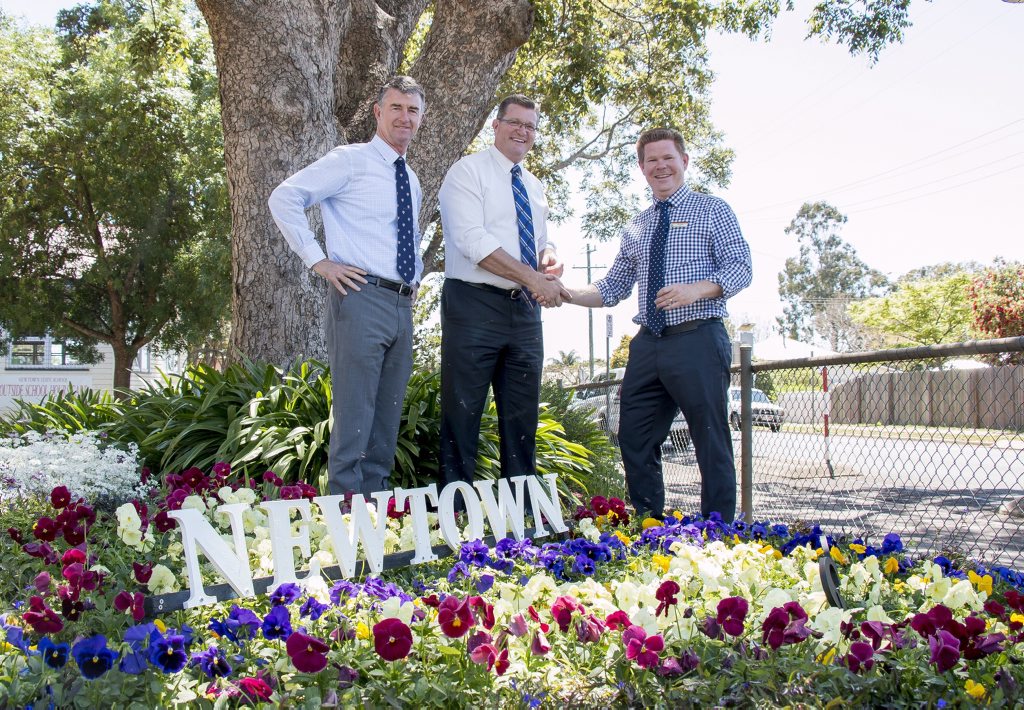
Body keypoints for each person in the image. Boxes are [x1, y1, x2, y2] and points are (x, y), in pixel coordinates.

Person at [564, 127, 752, 522]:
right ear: (642, 167)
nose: (661, 166)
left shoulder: (713, 210)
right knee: (633, 435)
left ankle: (716, 532)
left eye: (668, 158)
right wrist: (564, 292)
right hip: (649, 344)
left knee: (709, 439)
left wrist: (695, 290)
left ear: (684, 161)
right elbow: (612, 286)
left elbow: (740, 267)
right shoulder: (636, 226)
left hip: (698, 337)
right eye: (652, 160)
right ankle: (649, 523)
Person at [268, 75, 426, 498]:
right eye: (396, 108)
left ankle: (377, 518)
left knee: (386, 420)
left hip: (402, 305)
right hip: (360, 298)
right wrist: (318, 260)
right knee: (355, 415)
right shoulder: (350, 160)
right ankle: (343, 517)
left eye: (412, 110)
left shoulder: (409, 177)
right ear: (378, 112)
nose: (404, 117)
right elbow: (285, 197)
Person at [437, 94, 568, 494]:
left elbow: (540, 241)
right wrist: (533, 278)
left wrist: (549, 259)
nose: (522, 131)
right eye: (515, 122)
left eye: (530, 126)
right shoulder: (466, 172)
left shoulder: (535, 186)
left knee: (522, 418)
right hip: (473, 305)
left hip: (525, 311)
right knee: (463, 414)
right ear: (495, 125)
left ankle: (521, 515)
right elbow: (472, 241)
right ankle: (455, 515)